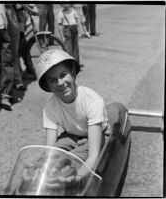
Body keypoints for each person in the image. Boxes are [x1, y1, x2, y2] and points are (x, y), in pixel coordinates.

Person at [35, 49, 111, 185]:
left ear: (73, 73)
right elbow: (50, 148)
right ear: (48, 85)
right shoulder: (49, 107)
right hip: (71, 135)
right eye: (52, 80)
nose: (60, 83)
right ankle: (42, 182)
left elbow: (93, 154)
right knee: (53, 156)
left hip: (95, 134)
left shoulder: (91, 101)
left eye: (63, 75)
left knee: (74, 159)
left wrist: (77, 178)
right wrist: (47, 164)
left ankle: (68, 181)